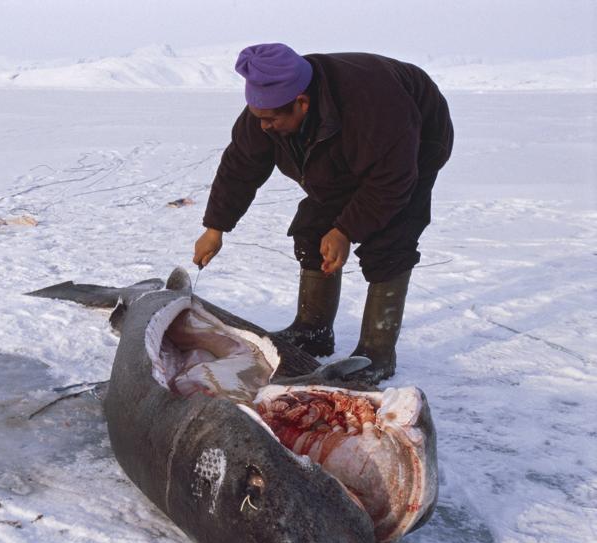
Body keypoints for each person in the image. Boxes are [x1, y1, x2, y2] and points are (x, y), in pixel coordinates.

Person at [193, 43, 453, 382]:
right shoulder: (267, 111)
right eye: (259, 118)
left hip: (415, 142)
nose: (264, 127)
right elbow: (240, 166)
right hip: (343, 143)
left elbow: (391, 182)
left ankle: (377, 353)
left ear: (301, 102)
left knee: (390, 239)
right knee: (314, 227)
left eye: (271, 120)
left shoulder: (374, 108)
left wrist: (346, 230)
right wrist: (216, 227)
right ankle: (312, 330)